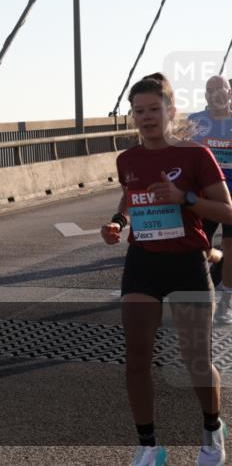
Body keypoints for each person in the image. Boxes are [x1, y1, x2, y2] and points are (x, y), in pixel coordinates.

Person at [99, 73, 231, 466]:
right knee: (136, 357)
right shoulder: (127, 160)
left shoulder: (195, 155)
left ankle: (211, 432)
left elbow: (226, 210)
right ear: (132, 116)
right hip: (143, 263)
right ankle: (149, 446)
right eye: (139, 111)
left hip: (188, 261)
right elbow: (130, 196)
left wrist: (185, 197)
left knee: (196, 359)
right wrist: (118, 224)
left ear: (170, 112)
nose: (147, 117)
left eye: (154, 109)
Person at [189, 74, 232, 325]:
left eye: (221, 88)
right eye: (210, 89)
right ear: (205, 96)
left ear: (230, 93)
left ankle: (225, 304)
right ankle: (223, 262)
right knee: (200, 250)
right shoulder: (196, 122)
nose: (215, 93)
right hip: (204, 198)